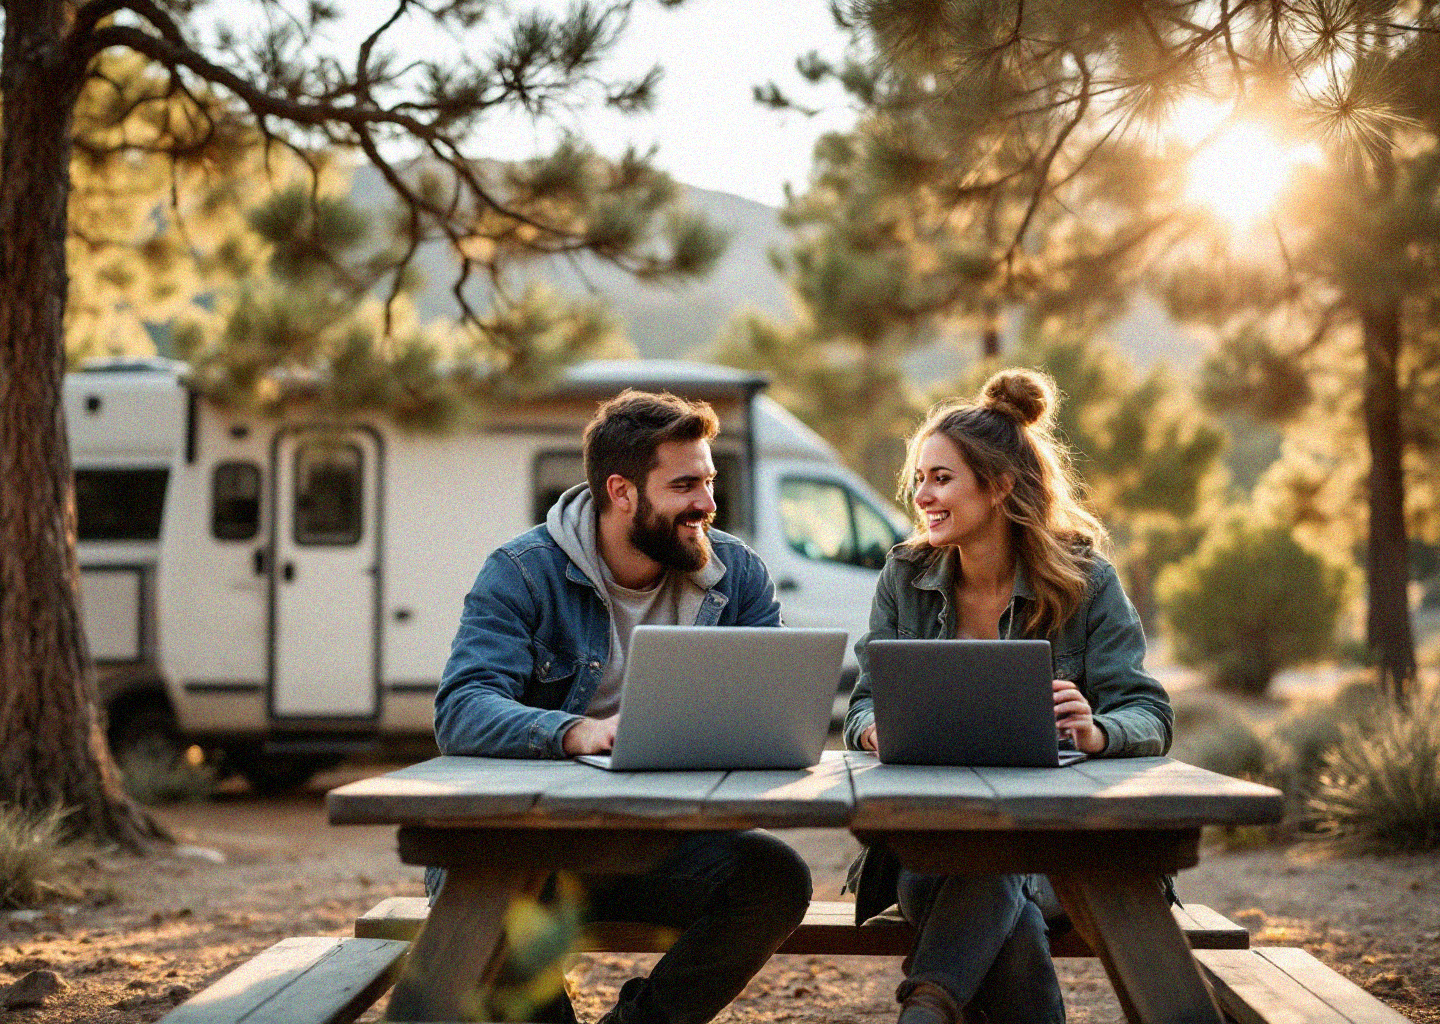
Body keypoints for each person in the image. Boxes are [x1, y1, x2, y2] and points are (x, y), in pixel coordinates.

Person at [432, 389, 812, 1024]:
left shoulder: (737, 575)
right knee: (481, 894)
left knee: (776, 879)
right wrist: (575, 731)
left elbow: (767, 712)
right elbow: (462, 710)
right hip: (538, 848)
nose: (708, 506)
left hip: (662, 846)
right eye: (686, 485)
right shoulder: (524, 572)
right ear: (622, 492)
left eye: (710, 483)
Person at [843, 368, 1174, 1024]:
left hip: (1062, 853)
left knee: (1003, 871)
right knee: (993, 875)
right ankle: (928, 1011)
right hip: (928, 850)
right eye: (920, 479)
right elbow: (861, 703)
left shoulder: (1087, 581)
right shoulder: (904, 577)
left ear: (997, 486)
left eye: (942, 478)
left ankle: (927, 1008)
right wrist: (875, 726)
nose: (923, 495)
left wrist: (1098, 730)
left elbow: (1150, 712)